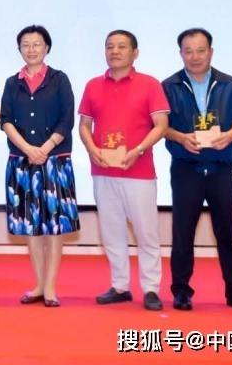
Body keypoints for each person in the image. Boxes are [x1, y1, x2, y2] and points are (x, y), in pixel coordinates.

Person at [162, 28, 232, 312]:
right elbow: (159, 126)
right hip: (186, 168)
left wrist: (231, 134)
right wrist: (180, 137)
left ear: (211, 52)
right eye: (188, 51)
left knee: (226, 232)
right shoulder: (168, 86)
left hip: (221, 167)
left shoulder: (230, 84)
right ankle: (181, 291)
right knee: (183, 233)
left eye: (201, 50)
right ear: (180, 54)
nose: (195, 57)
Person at [78, 29, 169, 311]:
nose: (115, 51)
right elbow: (84, 125)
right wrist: (91, 149)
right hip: (103, 170)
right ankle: (120, 286)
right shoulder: (93, 85)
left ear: (135, 52)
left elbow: (161, 125)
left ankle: (151, 289)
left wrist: (138, 150)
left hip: (138, 171)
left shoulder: (150, 84)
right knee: (111, 231)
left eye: (121, 46)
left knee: (146, 233)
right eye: (110, 46)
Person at [1, 25, 79, 308]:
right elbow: (6, 120)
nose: (31, 49)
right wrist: (28, 149)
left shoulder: (59, 80)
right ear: (19, 49)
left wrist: (44, 149)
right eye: (26, 44)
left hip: (55, 161)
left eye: (37, 44)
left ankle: (50, 287)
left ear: (47, 48)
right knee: (30, 226)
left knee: (54, 227)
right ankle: (37, 283)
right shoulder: (12, 83)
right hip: (21, 163)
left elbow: (67, 119)